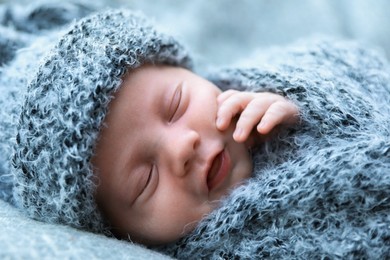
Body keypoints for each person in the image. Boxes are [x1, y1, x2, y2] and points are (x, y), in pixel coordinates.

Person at [1, 6, 390, 260]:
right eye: (145, 179)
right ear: (124, 236)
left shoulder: (253, 84)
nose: (182, 147)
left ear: (191, 71)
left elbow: (349, 63)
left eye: (175, 105)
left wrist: (301, 99)